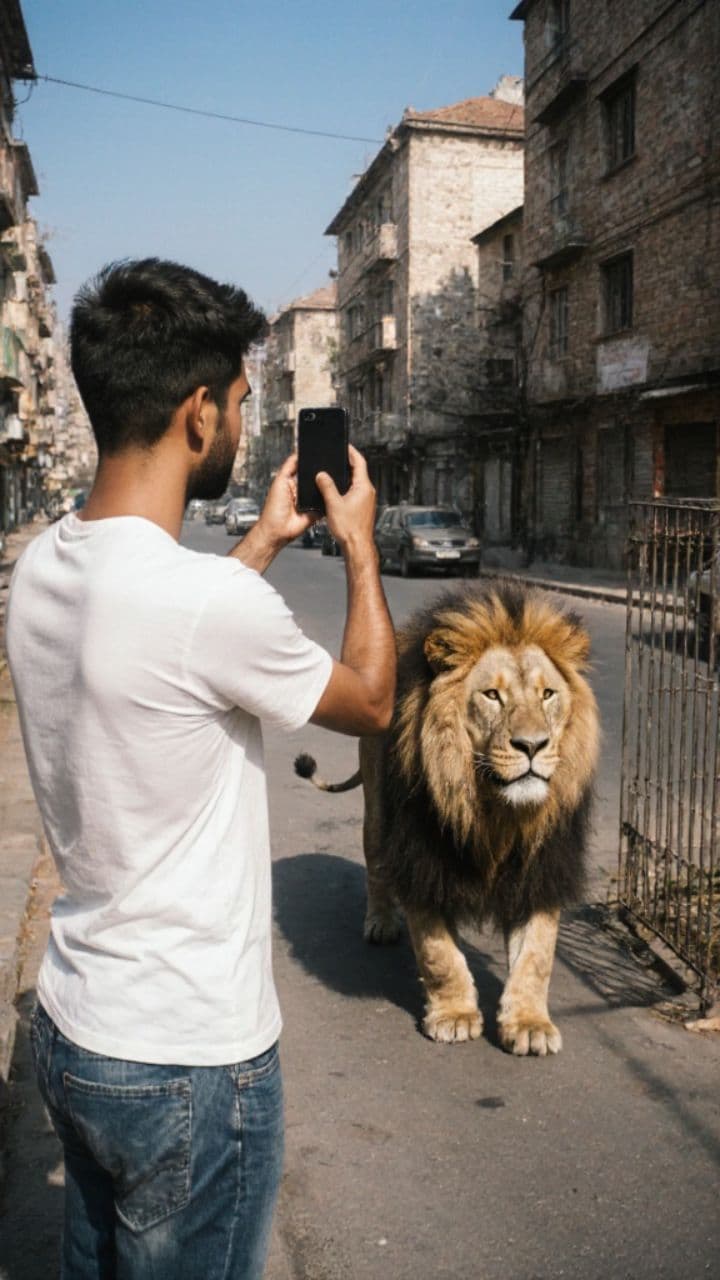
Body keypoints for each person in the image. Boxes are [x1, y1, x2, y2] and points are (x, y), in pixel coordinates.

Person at [6, 258, 396, 1280]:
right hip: (189, 1061)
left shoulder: (43, 563)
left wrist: (262, 540)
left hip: (76, 1028)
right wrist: (357, 546)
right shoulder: (204, 607)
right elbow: (375, 699)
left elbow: (160, 645)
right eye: (235, 401)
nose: (239, 419)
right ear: (194, 414)